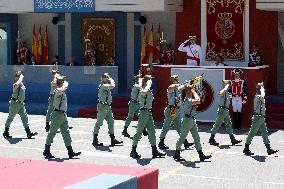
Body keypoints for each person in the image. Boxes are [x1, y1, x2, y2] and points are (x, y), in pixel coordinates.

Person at [43, 76, 81, 159]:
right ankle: (46, 150)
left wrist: (64, 84)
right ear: (61, 83)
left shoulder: (61, 90)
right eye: (63, 82)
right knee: (52, 133)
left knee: (66, 133)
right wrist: (66, 84)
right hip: (57, 114)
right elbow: (60, 90)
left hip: (63, 115)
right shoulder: (57, 90)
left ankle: (70, 152)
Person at [130, 75, 166, 159]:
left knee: (152, 132)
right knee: (139, 132)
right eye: (149, 80)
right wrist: (148, 84)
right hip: (143, 112)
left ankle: (154, 151)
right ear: (146, 82)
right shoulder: (142, 89)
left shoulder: (148, 89)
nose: (151, 81)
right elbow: (143, 92)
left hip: (148, 112)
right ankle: (133, 151)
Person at [173, 84, 212, 162]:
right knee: (182, 138)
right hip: (187, 121)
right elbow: (198, 100)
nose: (193, 92)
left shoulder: (187, 99)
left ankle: (201, 155)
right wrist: (195, 93)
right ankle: (176, 154)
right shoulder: (189, 100)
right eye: (192, 91)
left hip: (191, 120)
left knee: (196, 138)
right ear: (189, 92)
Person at [158, 75, 193, 150]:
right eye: (176, 80)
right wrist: (181, 84)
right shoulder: (171, 88)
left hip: (176, 109)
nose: (178, 81)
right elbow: (171, 87)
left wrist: (188, 84)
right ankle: (161, 142)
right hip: (172, 108)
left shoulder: (178, 88)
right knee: (167, 126)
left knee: (179, 127)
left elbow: (185, 87)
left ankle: (185, 142)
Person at [243, 83, 278, 156]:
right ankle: (246, 148)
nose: (264, 89)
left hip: (261, 117)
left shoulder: (258, 96)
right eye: (262, 88)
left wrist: (262, 89)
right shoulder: (258, 96)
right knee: (252, 133)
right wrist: (262, 89)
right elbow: (262, 96)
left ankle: (269, 149)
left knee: (264, 133)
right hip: (257, 117)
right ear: (260, 89)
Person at [3, 71, 38, 139]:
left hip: (21, 104)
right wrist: (20, 78)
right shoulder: (15, 84)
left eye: (18, 76)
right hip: (15, 104)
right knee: (10, 118)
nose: (17, 77)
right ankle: (6, 131)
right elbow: (16, 85)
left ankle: (28, 133)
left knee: (25, 117)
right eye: (17, 76)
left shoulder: (21, 84)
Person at [92, 73, 123, 147]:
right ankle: (95, 139)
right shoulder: (103, 86)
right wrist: (111, 79)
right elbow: (112, 86)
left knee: (111, 122)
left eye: (107, 77)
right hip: (102, 106)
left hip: (107, 106)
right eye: (106, 77)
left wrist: (109, 80)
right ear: (102, 79)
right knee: (99, 123)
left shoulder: (106, 86)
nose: (107, 78)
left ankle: (113, 139)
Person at [209, 80, 242, 146]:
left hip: (226, 111)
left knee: (229, 125)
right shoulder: (223, 91)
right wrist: (226, 87)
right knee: (217, 124)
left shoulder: (228, 92)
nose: (229, 86)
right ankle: (211, 138)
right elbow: (220, 93)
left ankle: (232, 139)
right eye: (228, 85)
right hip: (222, 110)